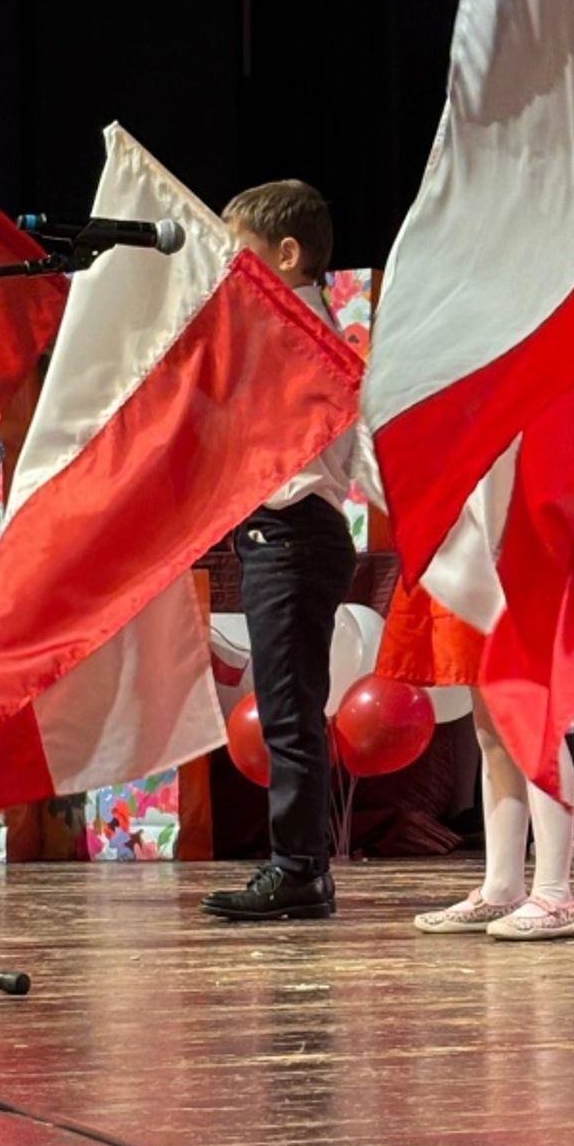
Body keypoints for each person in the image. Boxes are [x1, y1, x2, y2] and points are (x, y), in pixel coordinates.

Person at [201, 180, 358, 923]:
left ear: (287, 254)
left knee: (290, 711)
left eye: (243, 256)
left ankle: (300, 869)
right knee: (287, 706)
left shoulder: (299, 335)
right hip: (282, 536)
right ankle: (299, 865)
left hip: (295, 533)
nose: (231, 272)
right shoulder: (280, 331)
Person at [378, 464, 574, 941]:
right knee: (492, 732)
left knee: (534, 728)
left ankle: (555, 893)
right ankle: (502, 885)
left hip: (518, 557)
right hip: (466, 556)